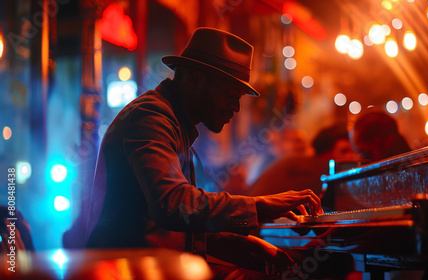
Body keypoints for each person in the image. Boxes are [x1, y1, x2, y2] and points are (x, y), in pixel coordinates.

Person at [79, 27, 323, 279]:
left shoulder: (175, 125)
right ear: (195, 79)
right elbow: (173, 206)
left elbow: (180, 227)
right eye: (231, 95)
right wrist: (262, 206)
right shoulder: (151, 116)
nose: (237, 107)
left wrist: (251, 246)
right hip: (123, 271)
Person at [248, 123, 358, 196]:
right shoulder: (314, 171)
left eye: (354, 151)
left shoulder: (297, 162)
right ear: (326, 153)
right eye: (344, 151)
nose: (351, 157)